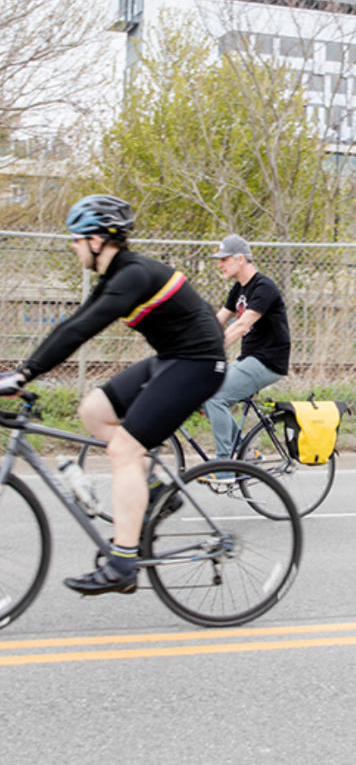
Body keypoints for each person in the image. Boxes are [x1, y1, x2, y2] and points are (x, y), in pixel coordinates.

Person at [0, 195, 226, 595]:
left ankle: (122, 564)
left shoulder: (132, 274)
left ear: (98, 240)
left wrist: (24, 374)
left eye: (76, 239)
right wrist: (22, 371)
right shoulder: (116, 275)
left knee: (122, 450)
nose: (72, 246)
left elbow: (81, 332)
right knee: (93, 410)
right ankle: (154, 490)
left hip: (199, 364)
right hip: (172, 358)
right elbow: (74, 322)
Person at [200, 234, 290, 479]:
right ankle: (246, 453)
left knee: (216, 397)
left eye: (224, 259)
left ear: (240, 259)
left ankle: (225, 467)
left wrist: (213, 349)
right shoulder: (239, 289)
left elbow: (241, 326)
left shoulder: (264, 287)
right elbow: (218, 321)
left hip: (268, 361)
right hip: (250, 358)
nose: (220, 265)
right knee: (202, 395)